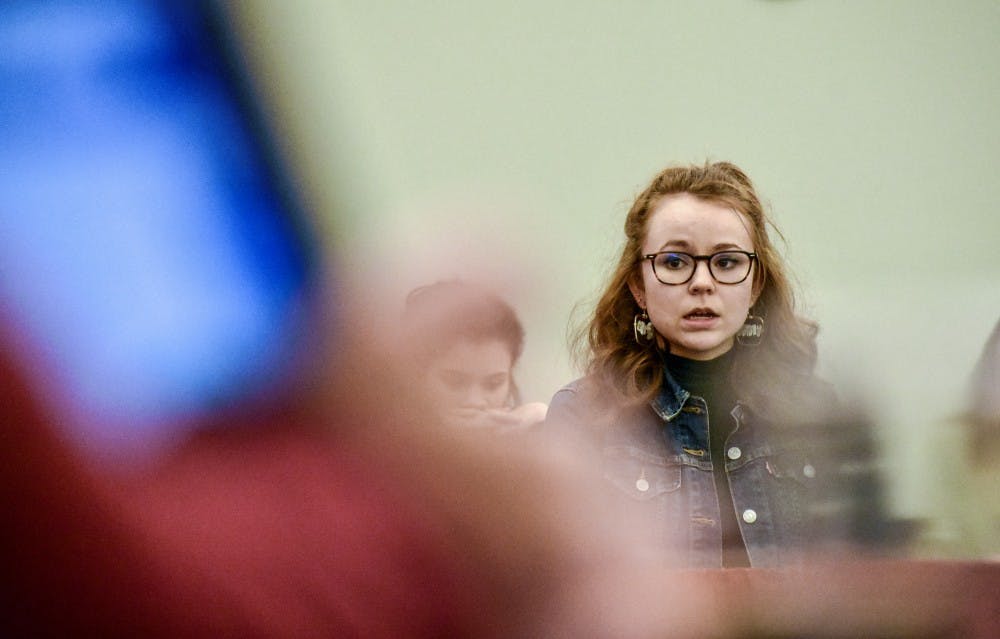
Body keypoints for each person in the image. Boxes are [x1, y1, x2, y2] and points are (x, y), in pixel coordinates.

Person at [545, 161, 838, 569]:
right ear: (638, 286)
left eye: (727, 262)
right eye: (675, 262)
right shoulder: (585, 416)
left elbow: (857, 579)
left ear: (755, 286)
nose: (702, 282)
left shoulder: (814, 412)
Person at [401, 280, 547, 432]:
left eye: (494, 384)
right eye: (454, 382)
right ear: (414, 376)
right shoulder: (382, 442)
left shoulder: (528, 430)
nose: (475, 402)